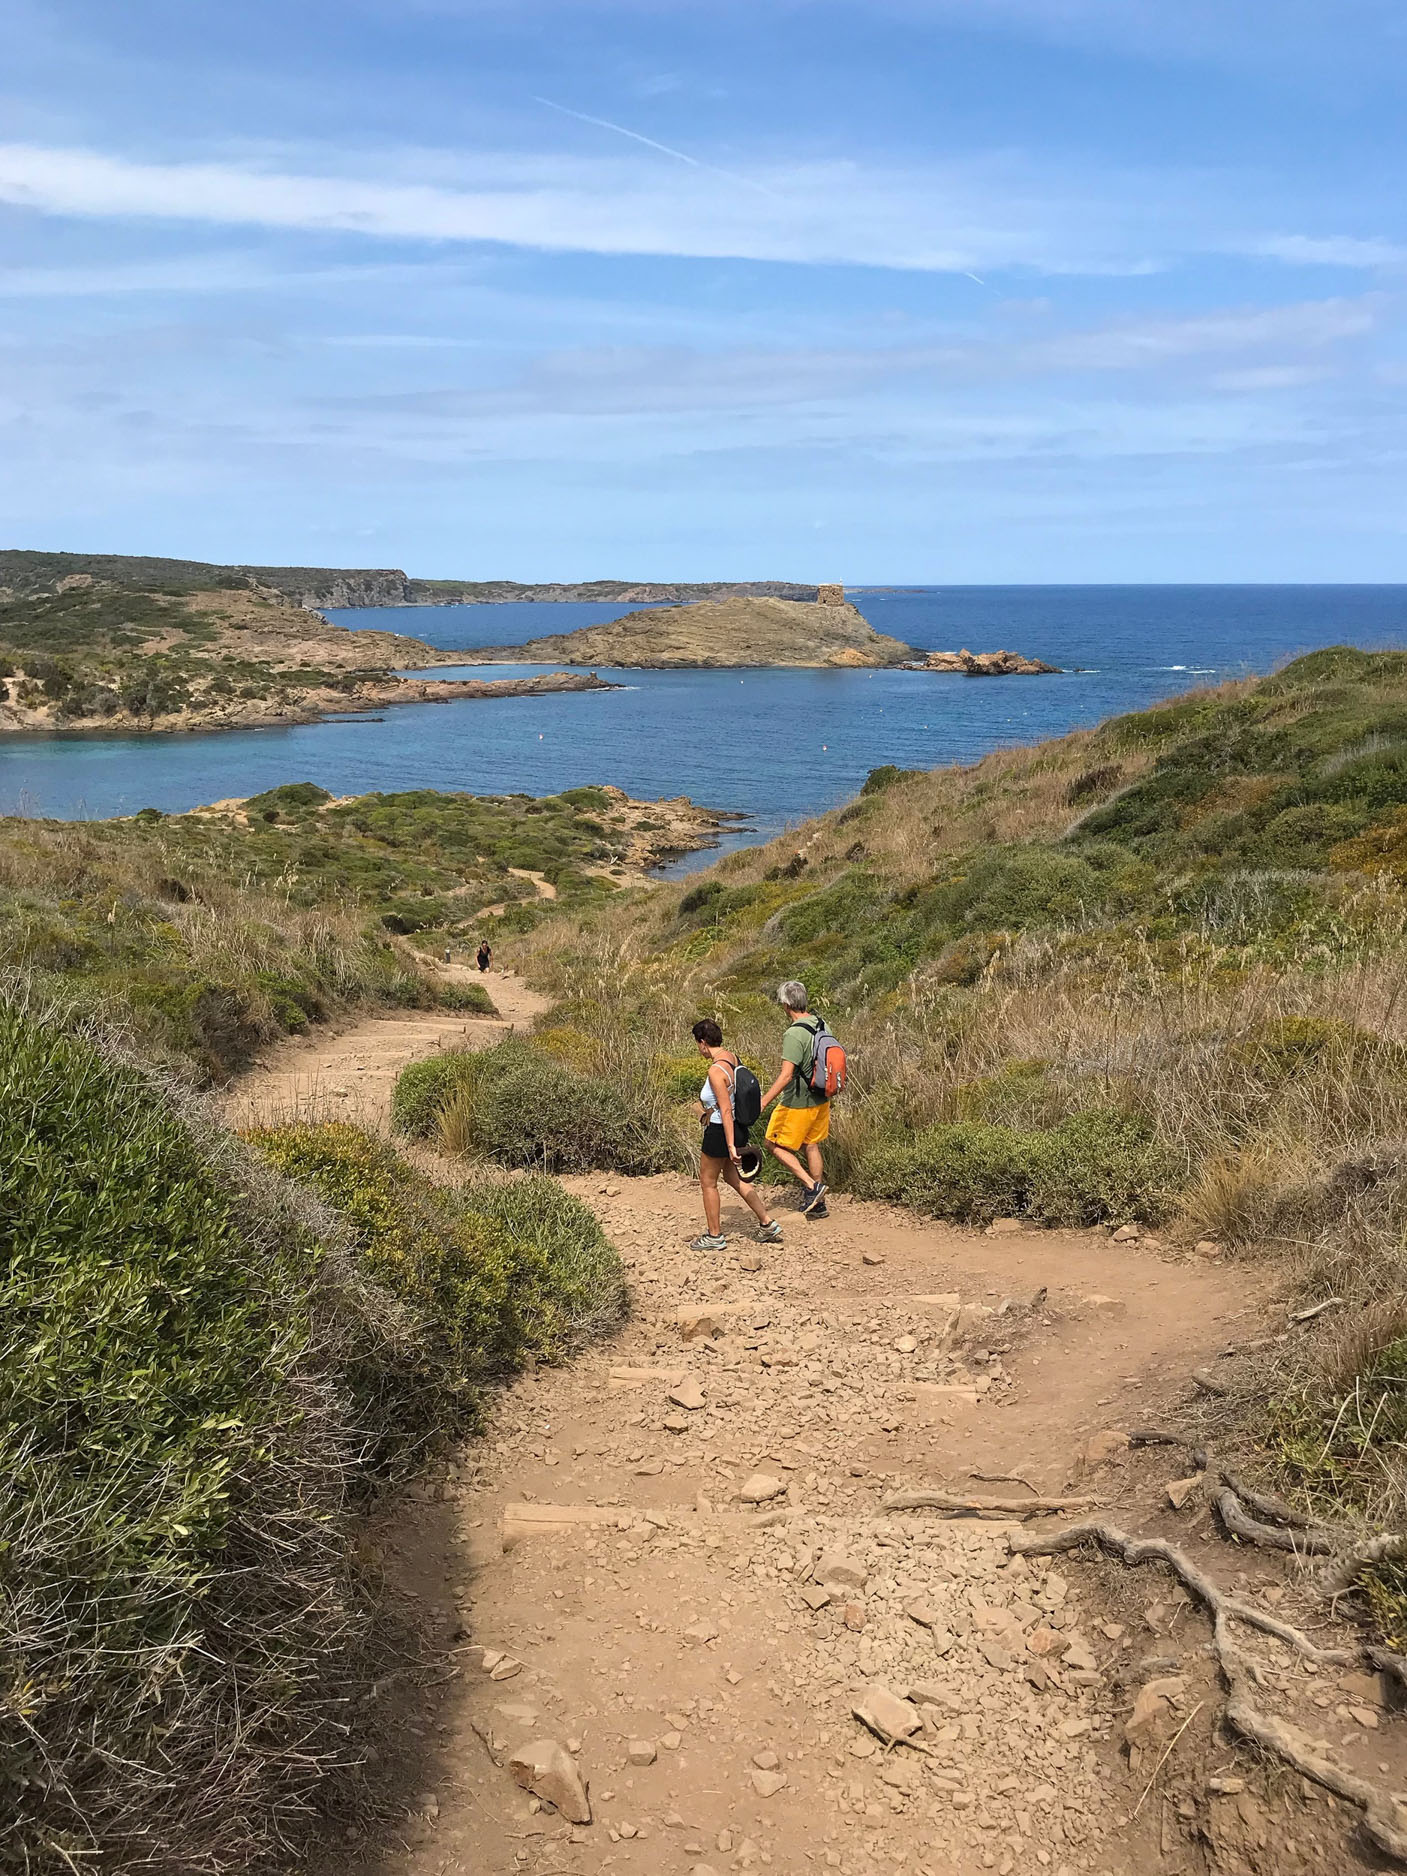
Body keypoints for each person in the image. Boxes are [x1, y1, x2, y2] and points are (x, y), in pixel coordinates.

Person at [690, 1018, 783, 1252]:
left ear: (702, 1043)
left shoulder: (715, 1070)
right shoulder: (732, 1058)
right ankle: (767, 1223)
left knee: (708, 1182)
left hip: (722, 1131)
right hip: (739, 1129)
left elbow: (725, 1109)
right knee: (734, 1179)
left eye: (697, 1044)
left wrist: (730, 1145)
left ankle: (714, 1236)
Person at [761, 980, 830, 1218]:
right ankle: (818, 1203)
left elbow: (786, 1075)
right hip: (822, 1097)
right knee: (811, 1143)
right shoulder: (821, 1024)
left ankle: (813, 1187)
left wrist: (763, 1102)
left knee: (772, 1143)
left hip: (798, 1101)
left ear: (786, 1005)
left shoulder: (794, 1033)